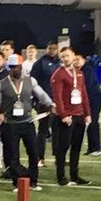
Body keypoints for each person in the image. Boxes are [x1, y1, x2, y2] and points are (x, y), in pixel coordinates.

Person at [0, 54, 54, 190]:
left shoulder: (30, 81)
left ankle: (33, 181)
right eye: (12, 67)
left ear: (21, 66)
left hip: (27, 122)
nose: (14, 69)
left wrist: (50, 103)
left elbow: (41, 94)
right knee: (13, 156)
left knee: (34, 153)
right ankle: (17, 182)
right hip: (9, 124)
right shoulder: (1, 84)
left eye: (17, 67)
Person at [50, 47, 92, 186]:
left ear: (74, 56)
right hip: (67, 116)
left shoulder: (79, 73)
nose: (65, 59)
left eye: (67, 56)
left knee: (76, 147)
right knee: (63, 147)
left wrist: (87, 113)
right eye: (62, 57)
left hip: (79, 114)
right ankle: (61, 176)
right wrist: (63, 115)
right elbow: (57, 97)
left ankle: (74, 175)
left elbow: (83, 94)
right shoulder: (58, 74)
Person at [30, 40, 61, 168]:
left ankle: (58, 157)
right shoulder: (39, 64)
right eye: (50, 48)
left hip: (59, 102)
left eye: (54, 48)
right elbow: (32, 82)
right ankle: (40, 158)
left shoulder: (60, 63)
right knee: (43, 130)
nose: (52, 50)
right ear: (46, 49)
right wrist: (35, 100)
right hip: (44, 102)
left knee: (57, 130)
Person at [77, 52, 101, 156]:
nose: (76, 62)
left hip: (94, 98)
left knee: (93, 121)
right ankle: (91, 147)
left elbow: (87, 86)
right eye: (75, 60)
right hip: (87, 99)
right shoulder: (79, 70)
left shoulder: (87, 70)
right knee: (88, 122)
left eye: (78, 59)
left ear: (83, 60)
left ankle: (96, 147)